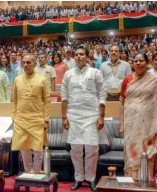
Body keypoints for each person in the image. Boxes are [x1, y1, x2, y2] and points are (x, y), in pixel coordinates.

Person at [61, 47, 106, 191]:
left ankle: (91, 179)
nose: (79, 57)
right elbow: (64, 97)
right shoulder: (68, 74)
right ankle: (79, 178)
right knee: (75, 149)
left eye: (82, 54)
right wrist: (64, 117)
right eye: (77, 55)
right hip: (73, 115)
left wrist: (101, 116)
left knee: (92, 148)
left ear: (87, 57)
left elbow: (102, 95)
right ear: (74, 57)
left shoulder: (96, 72)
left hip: (92, 115)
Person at [119, 53, 157, 181]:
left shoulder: (154, 80)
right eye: (136, 61)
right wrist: (121, 124)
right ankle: (131, 182)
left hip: (148, 125)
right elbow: (121, 103)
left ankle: (147, 181)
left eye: (141, 61)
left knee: (146, 151)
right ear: (133, 63)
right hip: (131, 123)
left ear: (147, 62)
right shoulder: (127, 79)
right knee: (131, 151)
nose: (138, 63)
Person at [11, 54, 50, 173]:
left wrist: (46, 119)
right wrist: (14, 116)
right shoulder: (17, 79)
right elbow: (15, 100)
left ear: (35, 64)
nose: (26, 65)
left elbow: (47, 100)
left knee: (38, 149)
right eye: (24, 63)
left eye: (29, 62)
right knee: (24, 148)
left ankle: (37, 172)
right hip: (21, 118)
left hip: (37, 118)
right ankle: (28, 172)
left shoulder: (42, 79)